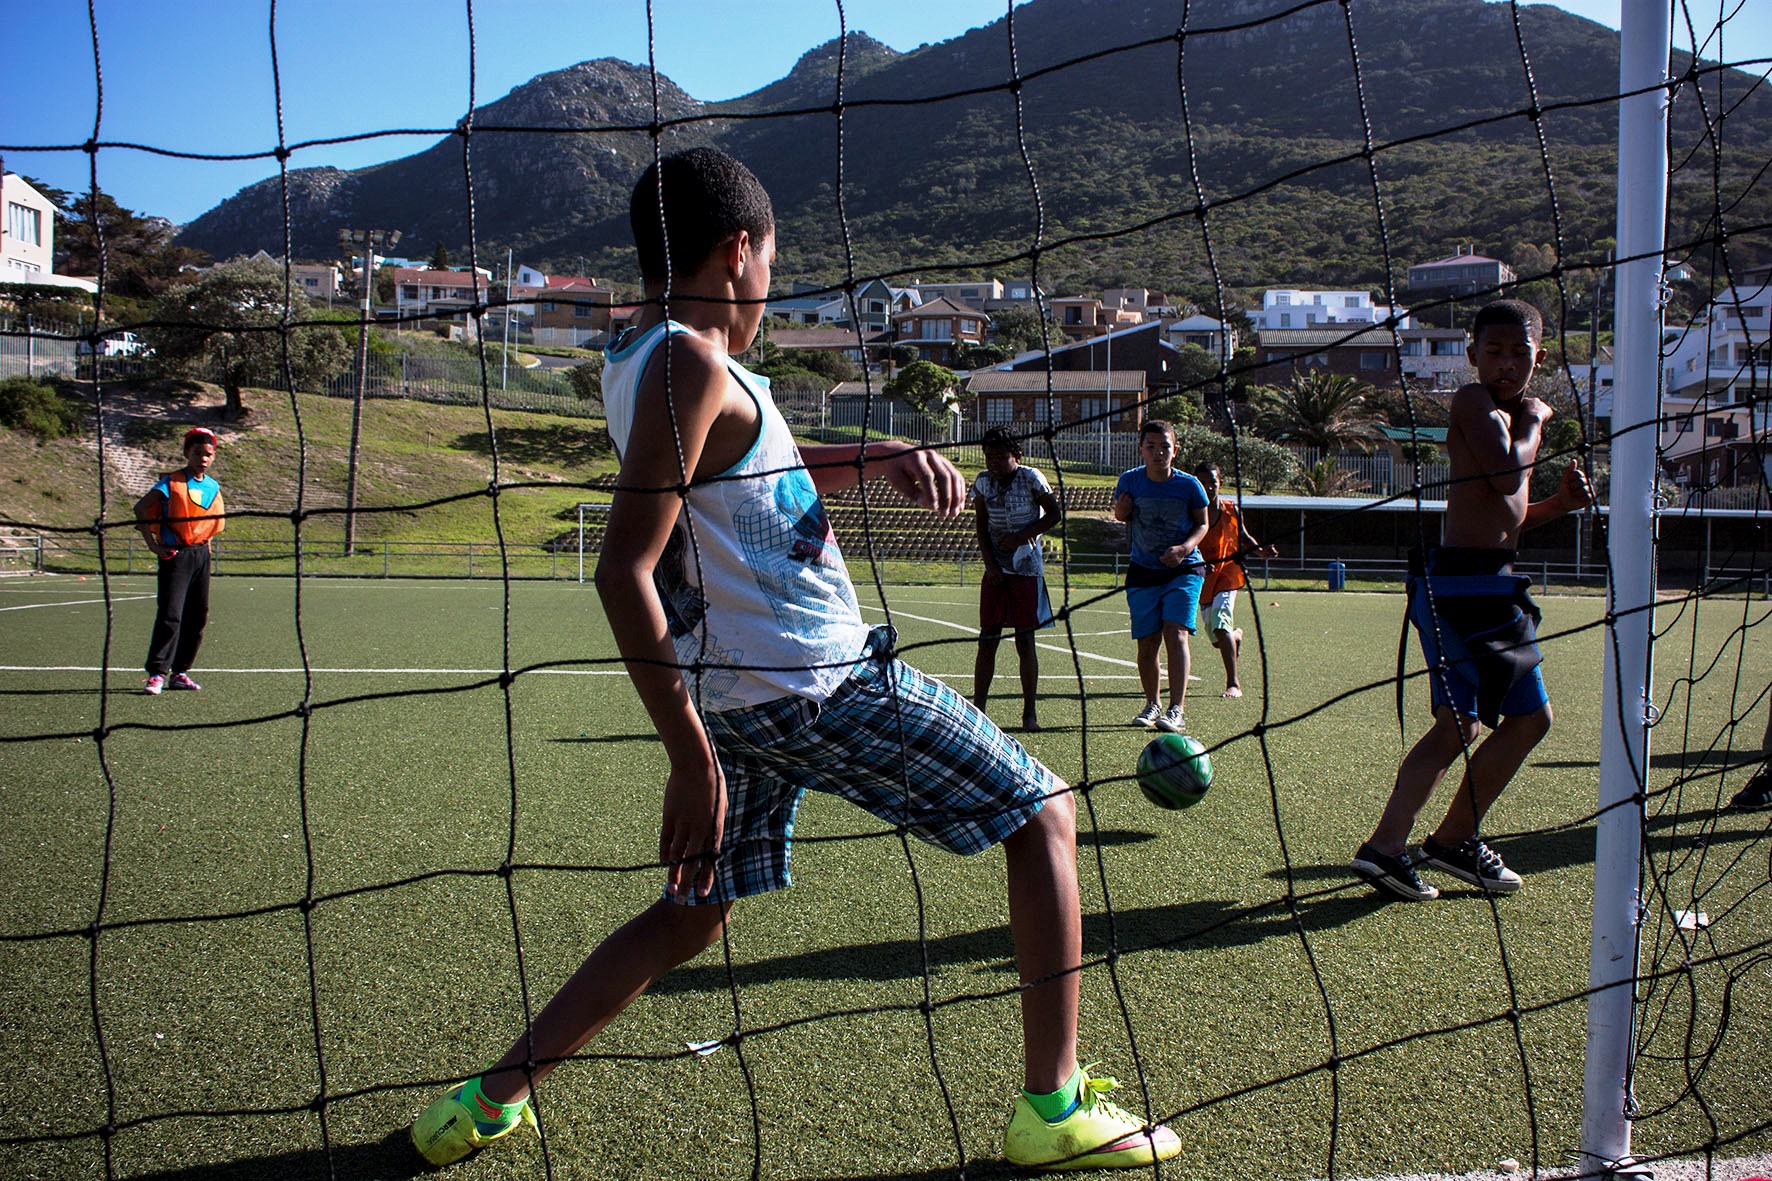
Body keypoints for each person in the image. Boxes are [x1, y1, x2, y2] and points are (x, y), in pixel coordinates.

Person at [409, 148, 1179, 1173]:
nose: (772, 279)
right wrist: (687, 757)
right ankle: (1052, 1105)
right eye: (773, 258)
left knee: (692, 912)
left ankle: (487, 1098)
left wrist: (873, 454)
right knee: (1043, 813)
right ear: (740, 250)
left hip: (740, 700)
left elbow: (740, 459)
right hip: (810, 685)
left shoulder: (646, 352)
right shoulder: (693, 360)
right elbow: (620, 569)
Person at [1352, 299, 1593, 901]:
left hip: (1495, 582)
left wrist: (1560, 506)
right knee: (1462, 723)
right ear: (1472, 357)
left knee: (1526, 719)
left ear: (1539, 358)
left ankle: (1451, 839)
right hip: (1459, 587)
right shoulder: (1474, 403)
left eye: (1520, 354)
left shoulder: (1506, 414)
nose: (1507, 365)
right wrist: (1537, 422)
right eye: (1494, 352)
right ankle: (1388, 847)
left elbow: (1507, 515)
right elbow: (1506, 478)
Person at [1113, 419, 1209, 734]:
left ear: (1175, 450)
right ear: (1141, 449)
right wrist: (1121, 513)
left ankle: (1176, 709)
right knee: (1147, 642)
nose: (1158, 453)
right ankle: (1152, 704)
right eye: (1151, 447)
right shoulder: (1129, 481)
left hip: (1183, 569)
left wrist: (1184, 548)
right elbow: (1119, 515)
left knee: (1176, 632)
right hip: (1143, 571)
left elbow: (1202, 524)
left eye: (1165, 446)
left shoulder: (1189, 485)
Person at [971, 427, 1062, 732]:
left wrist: (1022, 536)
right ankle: (978, 710)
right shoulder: (983, 482)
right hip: (996, 570)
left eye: (999, 456)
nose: (993, 462)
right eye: (988, 456)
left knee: (1025, 641)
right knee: (988, 640)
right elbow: (981, 526)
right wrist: (990, 564)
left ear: (1016, 455)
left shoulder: (1031, 477)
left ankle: (1029, 714)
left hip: (1026, 569)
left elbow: (1054, 514)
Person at [134, 426, 225, 695]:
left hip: (200, 556)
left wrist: (205, 549)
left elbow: (210, 523)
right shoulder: (172, 482)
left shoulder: (212, 486)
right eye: (197, 453)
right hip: (175, 555)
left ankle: (181, 672)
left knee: (197, 616)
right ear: (187, 453)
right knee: (171, 614)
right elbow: (141, 507)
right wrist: (153, 545)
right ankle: (157, 674)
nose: (203, 458)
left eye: (208, 454)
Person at [1194, 460, 1278, 699]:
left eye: (1212, 482)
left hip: (1228, 575)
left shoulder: (1231, 509)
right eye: (1202, 483)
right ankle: (1236, 636)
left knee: (1220, 625)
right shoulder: (1191, 512)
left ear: (1220, 483)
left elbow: (1243, 536)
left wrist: (1260, 551)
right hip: (1204, 579)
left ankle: (1233, 684)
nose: (1208, 488)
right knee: (1217, 639)